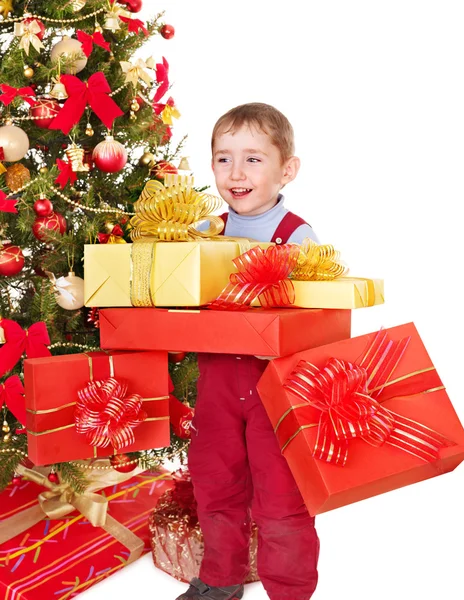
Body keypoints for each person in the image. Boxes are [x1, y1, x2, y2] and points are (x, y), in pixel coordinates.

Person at [178, 103, 320, 600]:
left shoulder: (298, 239)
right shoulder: (203, 234)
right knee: (215, 483)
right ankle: (220, 579)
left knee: (282, 496)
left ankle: (290, 590)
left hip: (277, 389)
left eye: (253, 160)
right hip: (216, 382)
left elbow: (316, 318)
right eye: (223, 159)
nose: (236, 173)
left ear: (288, 169)